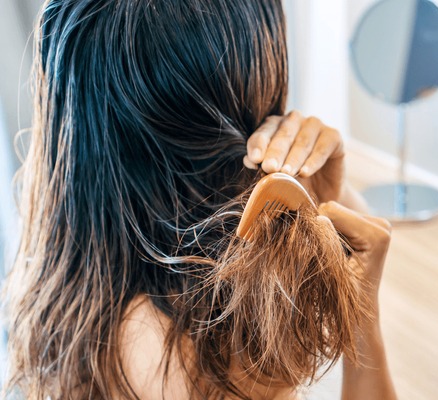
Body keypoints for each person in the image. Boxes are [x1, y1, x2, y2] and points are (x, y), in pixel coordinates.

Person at [4, 0, 398, 399]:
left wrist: (330, 194)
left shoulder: (73, 281)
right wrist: (364, 317)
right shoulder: (188, 354)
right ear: (254, 77)